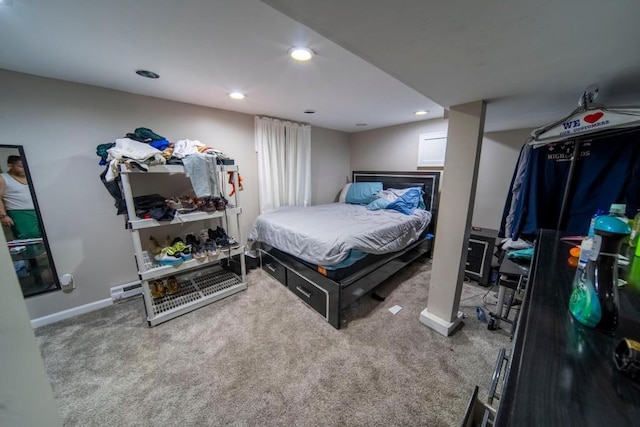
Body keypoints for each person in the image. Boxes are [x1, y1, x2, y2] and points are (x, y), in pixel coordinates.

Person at [0, 155, 42, 239]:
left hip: (38, 210)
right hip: (19, 213)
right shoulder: (3, 178)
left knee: (43, 237)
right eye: (20, 166)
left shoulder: (30, 176)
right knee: (29, 238)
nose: (24, 169)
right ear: (10, 165)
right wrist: (3, 215)